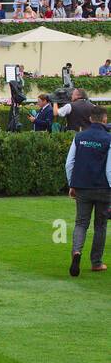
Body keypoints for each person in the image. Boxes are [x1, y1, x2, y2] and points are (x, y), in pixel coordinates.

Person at [64, 104, 110, 276]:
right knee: (100, 225)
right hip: (103, 187)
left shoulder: (79, 137)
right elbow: (109, 169)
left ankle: (76, 253)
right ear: (105, 119)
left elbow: (69, 163)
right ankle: (96, 262)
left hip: (82, 186)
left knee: (81, 223)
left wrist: (72, 184)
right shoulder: (109, 138)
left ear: (90, 119)